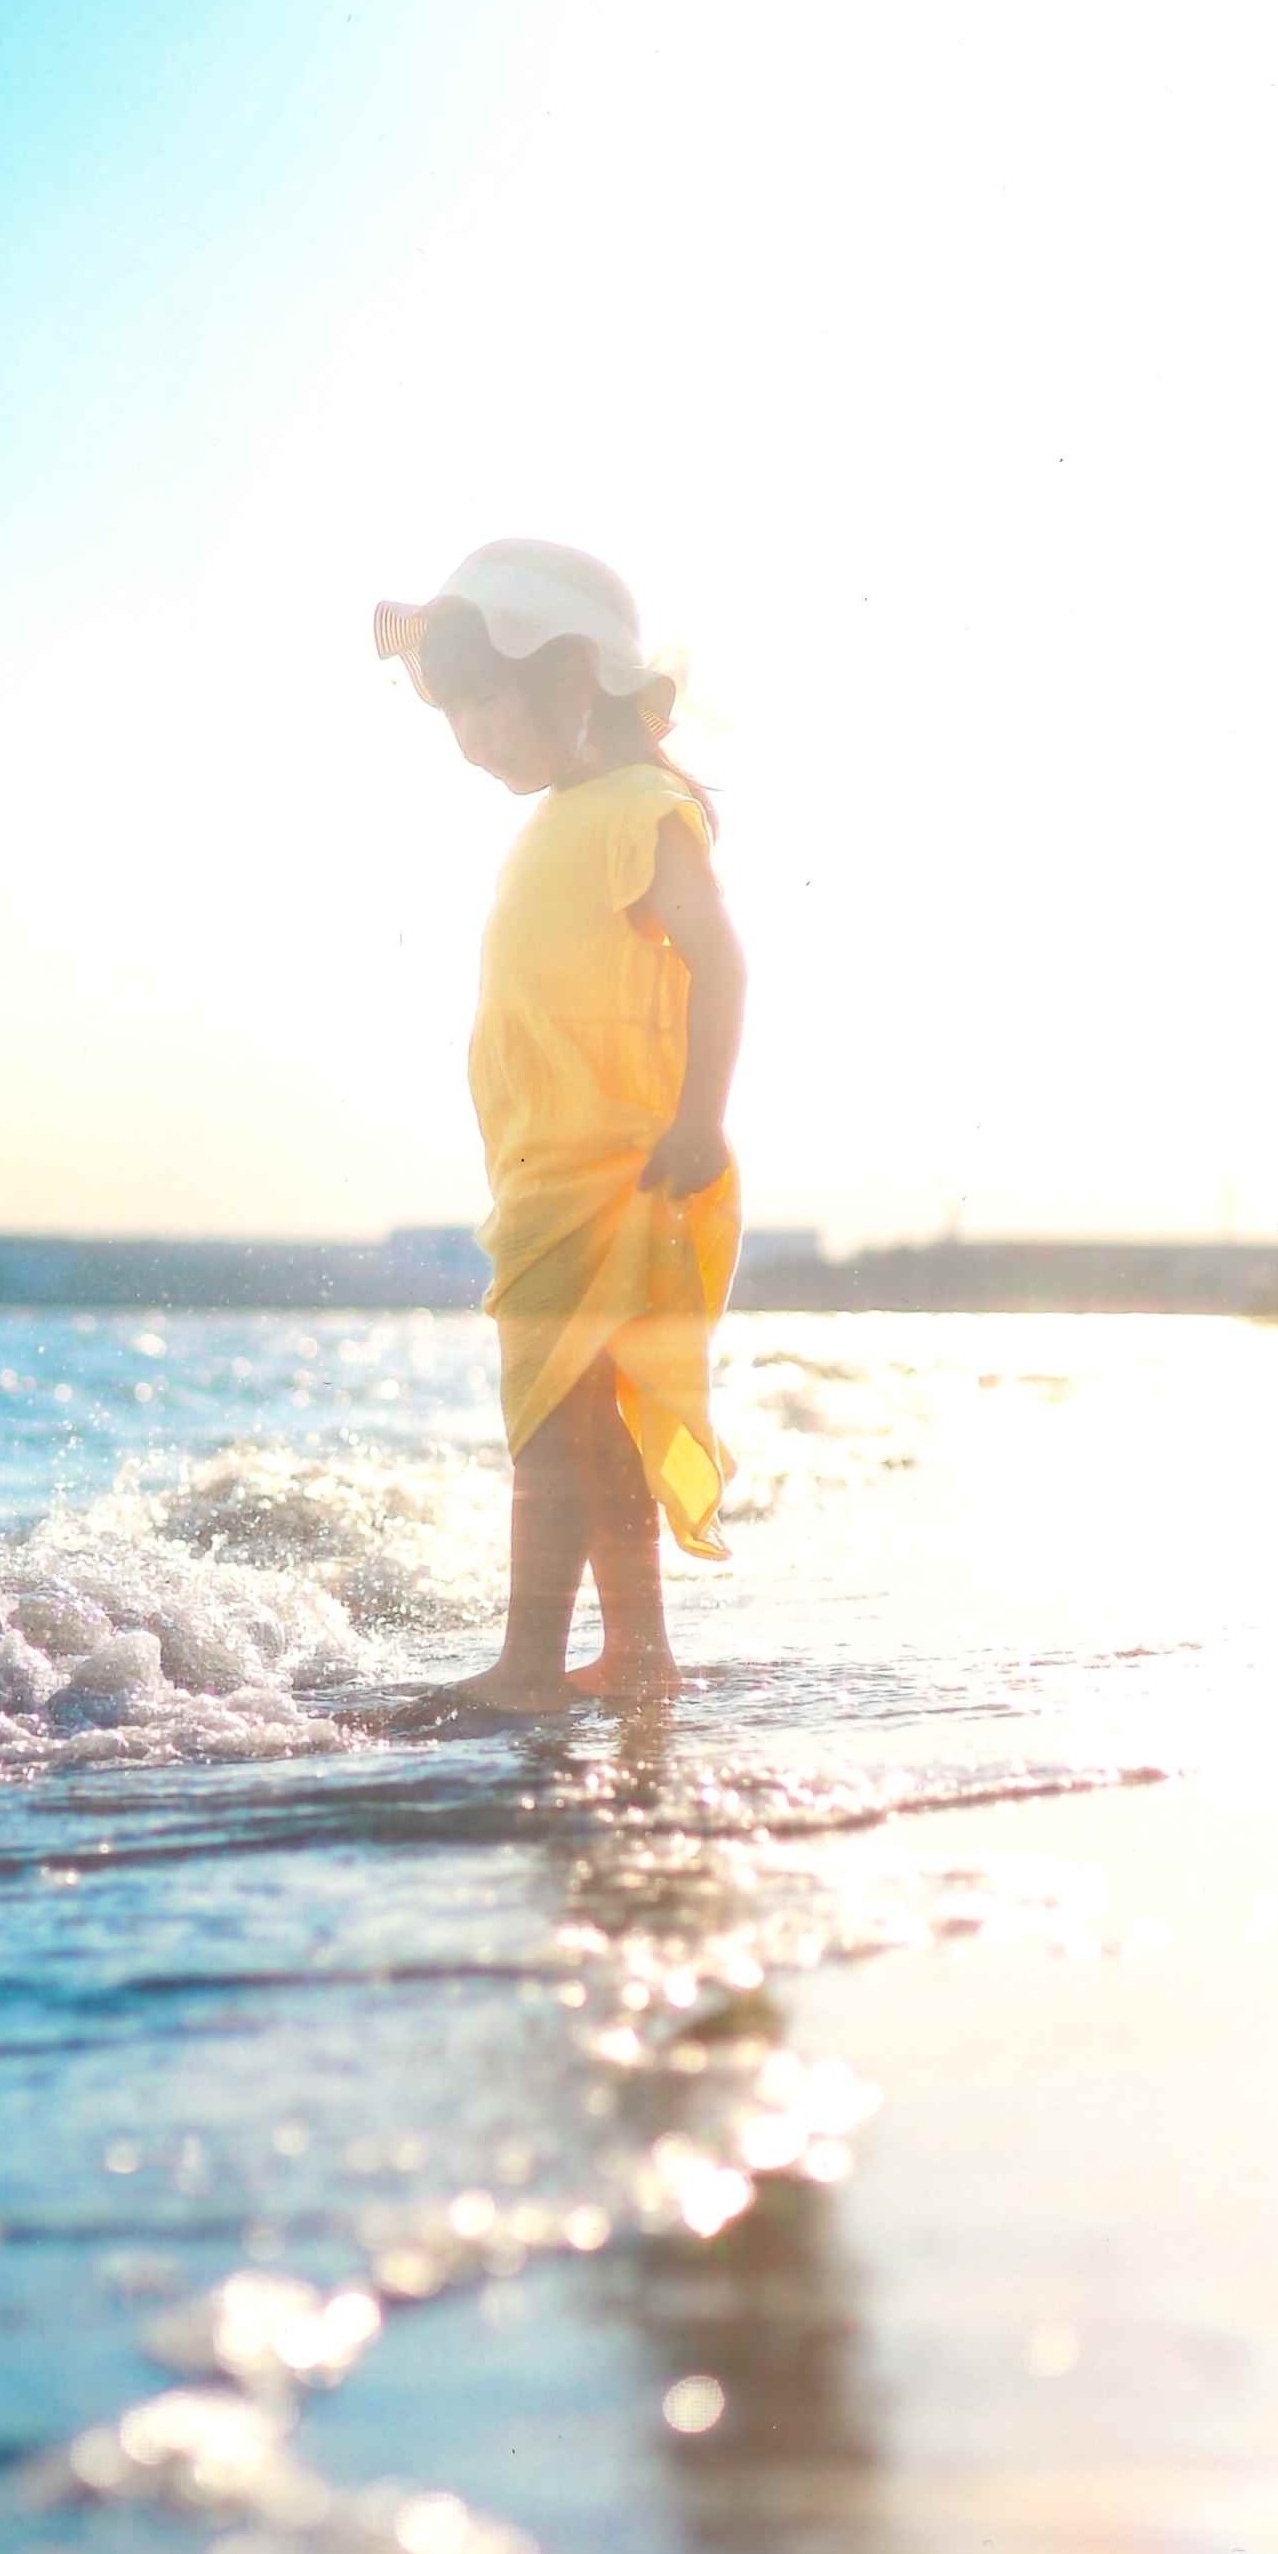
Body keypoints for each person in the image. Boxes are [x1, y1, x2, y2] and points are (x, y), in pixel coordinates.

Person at [375, 540, 745, 1710]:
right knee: (590, 1418)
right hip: (557, 1169)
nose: (470, 733)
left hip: (611, 1168)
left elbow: (717, 959)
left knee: (549, 1416)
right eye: (453, 711)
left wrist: (703, 1116)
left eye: (485, 699)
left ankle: (529, 1663)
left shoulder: (641, 808)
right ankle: (637, 1653)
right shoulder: (574, 815)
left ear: (573, 682)